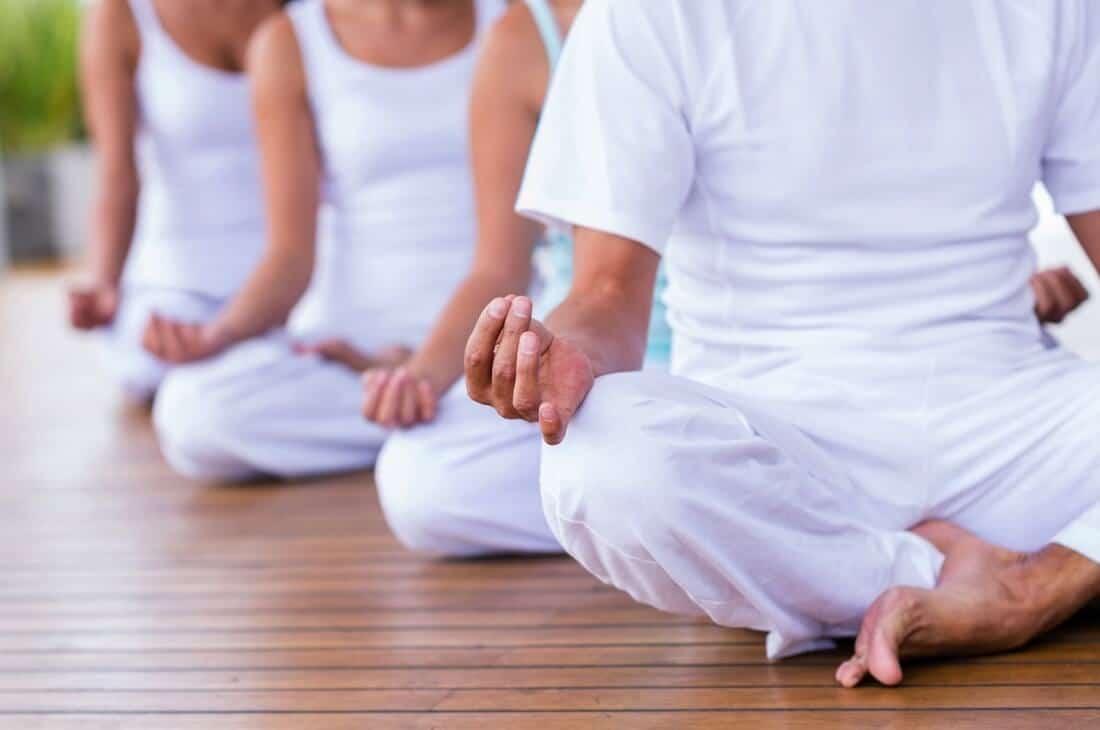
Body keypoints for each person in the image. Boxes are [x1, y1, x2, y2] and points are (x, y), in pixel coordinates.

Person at [465, 0, 1100, 687]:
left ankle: (1025, 588)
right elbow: (608, 293)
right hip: (786, 453)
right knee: (602, 461)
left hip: (1012, 431)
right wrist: (565, 357)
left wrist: (1051, 583)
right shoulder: (644, 12)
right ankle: (959, 571)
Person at [365, 0, 672, 556]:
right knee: (420, 483)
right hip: (579, 352)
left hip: (711, 354)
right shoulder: (519, 40)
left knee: (644, 463)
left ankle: (638, 519)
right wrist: (422, 373)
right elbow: (497, 266)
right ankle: (646, 525)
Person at [149, 0, 502, 481]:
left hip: (488, 339)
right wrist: (219, 334)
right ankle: (417, 413)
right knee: (192, 412)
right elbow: (289, 253)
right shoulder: (290, 39)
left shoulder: (513, 21)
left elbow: (511, 256)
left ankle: (426, 406)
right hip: (350, 354)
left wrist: (426, 364)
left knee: (511, 393)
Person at [69, 0, 285, 401]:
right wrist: (102, 282)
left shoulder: (311, 13)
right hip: (179, 289)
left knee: (317, 345)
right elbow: (116, 174)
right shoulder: (122, 15)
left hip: (296, 278)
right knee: (152, 360)